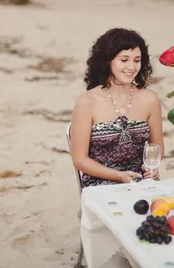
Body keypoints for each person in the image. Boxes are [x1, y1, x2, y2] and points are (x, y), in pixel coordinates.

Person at [70, 28, 164, 189]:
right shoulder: (87, 101)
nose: (132, 67)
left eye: (137, 60)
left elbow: (157, 147)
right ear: (107, 61)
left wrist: (152, 168)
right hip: (99, 185)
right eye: (124, 59)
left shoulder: (150, 99)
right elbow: (79, 159)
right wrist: (119, 176)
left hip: (140, 182)